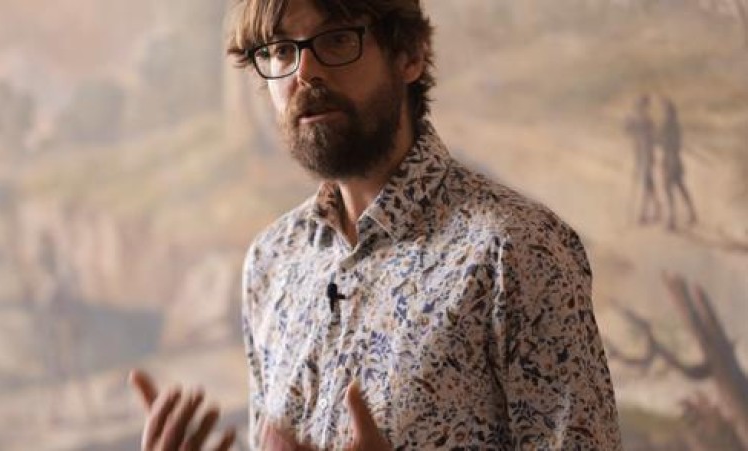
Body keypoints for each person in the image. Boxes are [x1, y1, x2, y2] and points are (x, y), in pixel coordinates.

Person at [130, 0, 623, 449]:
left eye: (337, 39)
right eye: (280, 50)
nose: (304, 72)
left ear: (410, 55)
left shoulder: (518, 249)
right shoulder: (271, 260)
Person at [658, 98, 697, 230]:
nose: (664, 113)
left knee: (670, 188)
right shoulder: (673, 125)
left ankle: (672, 219)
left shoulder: (669, 126)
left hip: (671, 159)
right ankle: (691, 213)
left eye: (665, 110)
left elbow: (667, 142)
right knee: (679, 187)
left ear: (669, 112)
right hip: (672, 159)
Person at [625, 94, 662, 225]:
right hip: (639, 155)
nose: (639, 107)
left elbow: (653, 139)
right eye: (638, 105)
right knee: (648, 183)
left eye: (641, 105)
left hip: (646, 155)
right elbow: (627, 131)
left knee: (646, 184)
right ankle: (657, 207)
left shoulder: (647, 121)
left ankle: (644, 213)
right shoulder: (637, 119)